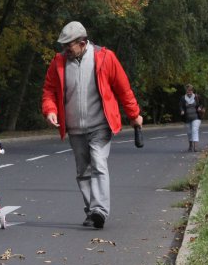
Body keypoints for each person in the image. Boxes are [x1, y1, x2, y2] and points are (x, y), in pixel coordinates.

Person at [42, 21, 143, 229]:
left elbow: (123, 89)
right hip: (74, 127)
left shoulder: (105, 58)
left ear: (82, 42)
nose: (65, 50)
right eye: (63, 46)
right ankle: (92, 211)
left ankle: (100, 210)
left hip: (100, 125)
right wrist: (50, 110)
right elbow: (49, 91)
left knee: (98, 163)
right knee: (83, 171)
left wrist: (134, 114)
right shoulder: (58, 63)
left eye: (69, 45)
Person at [179, 84, 204, 152]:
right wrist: (182, 111)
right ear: (186, 91)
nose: (189, 93)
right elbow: (180, 106)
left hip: (196, 117)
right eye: (187, 91)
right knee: (189, 132)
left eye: (190, 91)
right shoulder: (183, 98)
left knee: (194, 130)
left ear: (192, 91)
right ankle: (190, 145)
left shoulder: (197, 97)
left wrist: (200, 107)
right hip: (187, 118)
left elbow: (202, 104)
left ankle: (195, 147)